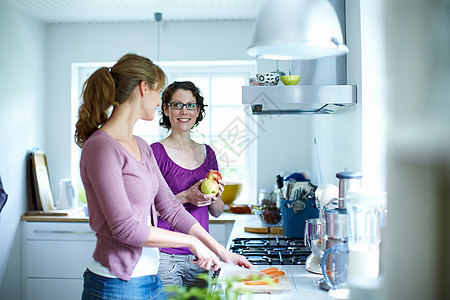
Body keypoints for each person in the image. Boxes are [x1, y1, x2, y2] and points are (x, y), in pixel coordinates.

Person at [74, 54, 251, 300]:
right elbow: (125, 228)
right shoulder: (101, 147)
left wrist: (222, 252)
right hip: (117, 285)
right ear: (143, 88)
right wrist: (192, 243)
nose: (160, 102)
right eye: (159, 93)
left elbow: (170, 208)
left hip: (151, 280)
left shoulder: (141, 146)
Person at [150, 81, 225, 290]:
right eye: (177, 105)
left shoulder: (208, 153)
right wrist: (186, 196)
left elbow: (217, 211)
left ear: (198, 110)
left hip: (201, 254)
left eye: (191, 105)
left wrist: (216, 195)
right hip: (166, 256)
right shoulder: (154, 152)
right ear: (166, 109)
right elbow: (146, 212)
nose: (184, 111)